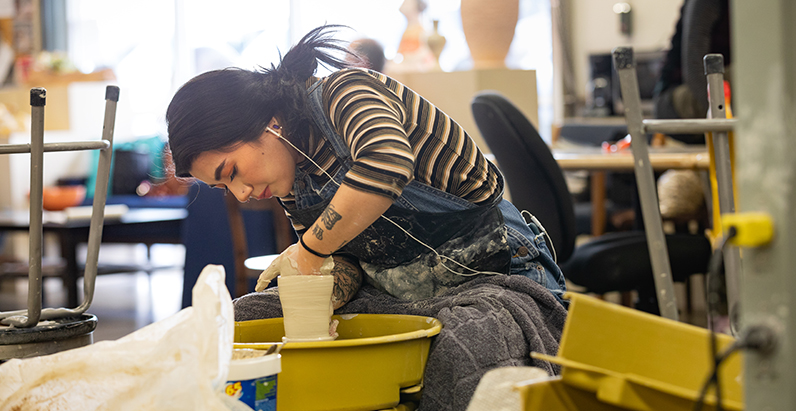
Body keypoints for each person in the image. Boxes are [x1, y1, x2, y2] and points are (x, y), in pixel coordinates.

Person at [166, 25, 567, 410]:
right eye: (225, 189)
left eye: (231, 171)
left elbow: (386, 164)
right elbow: (345, 261)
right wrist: (314, 294)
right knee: (234, 322)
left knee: (466, 344)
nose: (241, 193)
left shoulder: (346, 91)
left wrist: (307, 253)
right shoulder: (291, 176)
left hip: (495, 277)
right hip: (399, 294)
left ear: (266, 125)